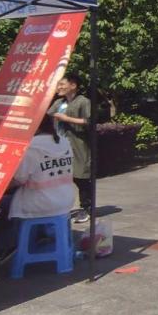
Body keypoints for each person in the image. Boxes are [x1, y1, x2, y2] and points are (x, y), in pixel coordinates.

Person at [9, 114, 75, 220]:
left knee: (2, 205)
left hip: (38, 206)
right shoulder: (64, 142)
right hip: (65, 202)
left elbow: (19, 179)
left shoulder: (31, 147)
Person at [48, 72, 91, 223]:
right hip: (59, 145)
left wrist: (67, 119)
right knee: (60, 177)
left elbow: (89, 121)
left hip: (77, 144)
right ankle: (61, 208)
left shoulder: (83, 101)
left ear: (73, 85)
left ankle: (86, 208)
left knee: (80, 177)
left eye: (62, 84)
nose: (59, 87)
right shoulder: (59, 102)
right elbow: (47, 116)